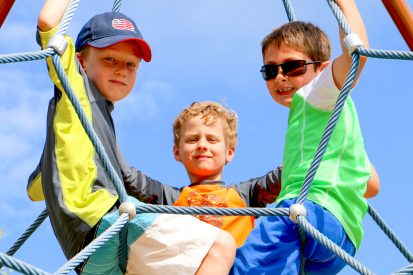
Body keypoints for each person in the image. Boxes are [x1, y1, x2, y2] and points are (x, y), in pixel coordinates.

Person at [26, 1, 236, 274]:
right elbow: (48, 22)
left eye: (130, 65)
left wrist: (183, 203)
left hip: (85, 253)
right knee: (219, 247)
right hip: (106, 220)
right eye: (109, 59)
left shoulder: (85, 124)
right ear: (80, 61)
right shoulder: (75, 86)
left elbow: (36, 189)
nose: (121, 71)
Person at [231, 0, 380, 274]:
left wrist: (346, 6)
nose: (280, 77)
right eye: (270, 70)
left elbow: (356, 55)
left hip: (312, 213)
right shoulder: (328, 118)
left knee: (249, 261)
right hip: (341, 242)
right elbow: (372, 184)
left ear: (321, 69)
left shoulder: (318, 92)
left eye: (293, 67)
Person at [124, 101, 282, 247]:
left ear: (229, 152)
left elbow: (288, 172)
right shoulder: (170, 198)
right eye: (192, 140)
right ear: (177, 152)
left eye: (212, 139)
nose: (202, 145)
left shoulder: (245, 195)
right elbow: (126, 176)